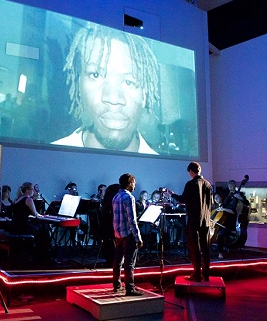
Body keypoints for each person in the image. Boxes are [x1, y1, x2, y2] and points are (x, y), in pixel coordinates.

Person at [52, 22, 160, 154]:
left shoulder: (169, 173)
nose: (114, 98)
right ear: (78, 85)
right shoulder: (46, 159)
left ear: (144, 94)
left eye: (129, 82)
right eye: (95, 75)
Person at [168, 162, 212, 282]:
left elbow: (184, 199)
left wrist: (172, 195)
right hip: (206, 221)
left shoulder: (191, 184)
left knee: (194, 247)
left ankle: (197, 274)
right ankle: (206, 274)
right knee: (205, 247)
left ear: (191, 172)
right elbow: (210, 203)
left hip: (194, 220)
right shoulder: (208, 184)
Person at [112, 173, 143, 296]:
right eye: (134, 183)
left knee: (118, 261)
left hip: (118, 233)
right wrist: (138, 238)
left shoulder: (115, 197)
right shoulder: (129, 198)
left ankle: (117, 285)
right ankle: (130, 288)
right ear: (130, 183)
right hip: (128, 234)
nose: (135, 185)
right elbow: (132, 220)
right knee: (129, 262)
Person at [10, 182, 50, 261]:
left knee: (41, 227)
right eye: (32, 189)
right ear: (27, 190)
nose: (34, 191)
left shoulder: (17, 199)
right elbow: (35, 214)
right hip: (23, 227)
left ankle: (40, 251)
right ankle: (43, 253)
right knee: (44, 227)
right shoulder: (28, 199)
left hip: (15, 225)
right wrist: (45, 216)